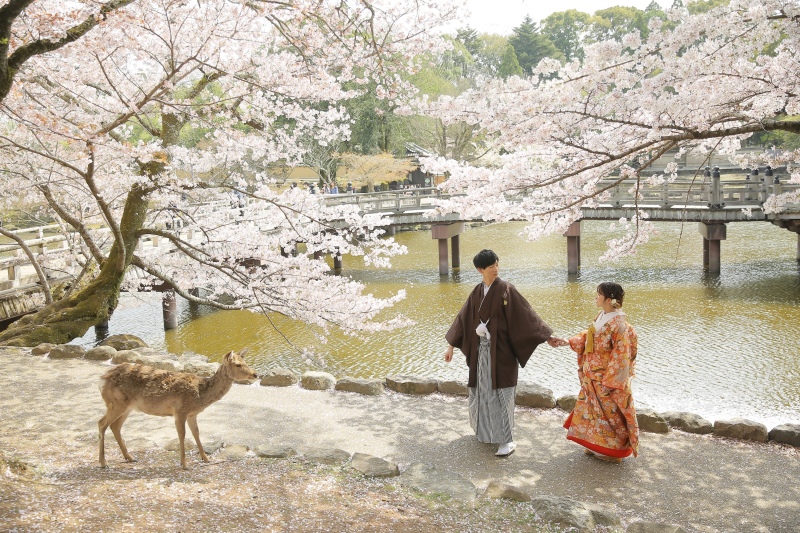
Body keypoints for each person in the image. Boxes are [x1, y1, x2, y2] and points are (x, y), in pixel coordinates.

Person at [444, 249, 564, 457]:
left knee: (502, 396)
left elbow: (526, 316)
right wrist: (451, 346)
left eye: (497, 265)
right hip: (481, 353)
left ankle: (506, 441)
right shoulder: (477, 291)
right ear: (480, 270)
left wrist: (546, 337)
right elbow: (463, 318)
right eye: (491, 267)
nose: (495, 269)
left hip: (501, 354)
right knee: (482, 393)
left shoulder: (507, 289)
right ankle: (485, 432)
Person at [560, 282, 639, 463]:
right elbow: (589, 337)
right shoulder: (602, 316)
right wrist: (567, 341)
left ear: (610, 300)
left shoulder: (619, 325)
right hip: (592, 374)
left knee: (610, 415)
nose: (596, 297)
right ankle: (594, 445)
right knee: (594, 412)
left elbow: (621, 356)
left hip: (605, 378)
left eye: (599, 294)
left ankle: (613, 452)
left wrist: (611, 381)